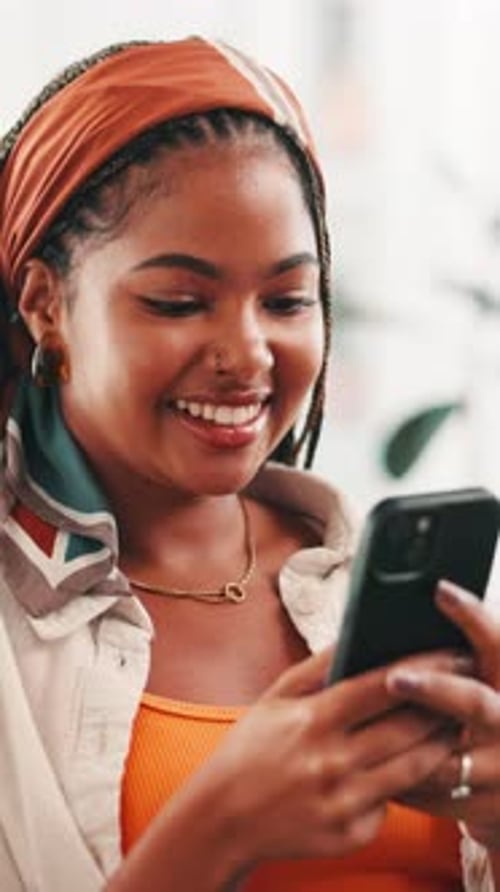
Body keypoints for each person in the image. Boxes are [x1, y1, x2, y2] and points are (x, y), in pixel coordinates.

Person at [0, 35, 499, 892]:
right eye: (180, 302)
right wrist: (217, 831)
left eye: (287, 300)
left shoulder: (361, 591)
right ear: (47, 306)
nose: (248, 353)